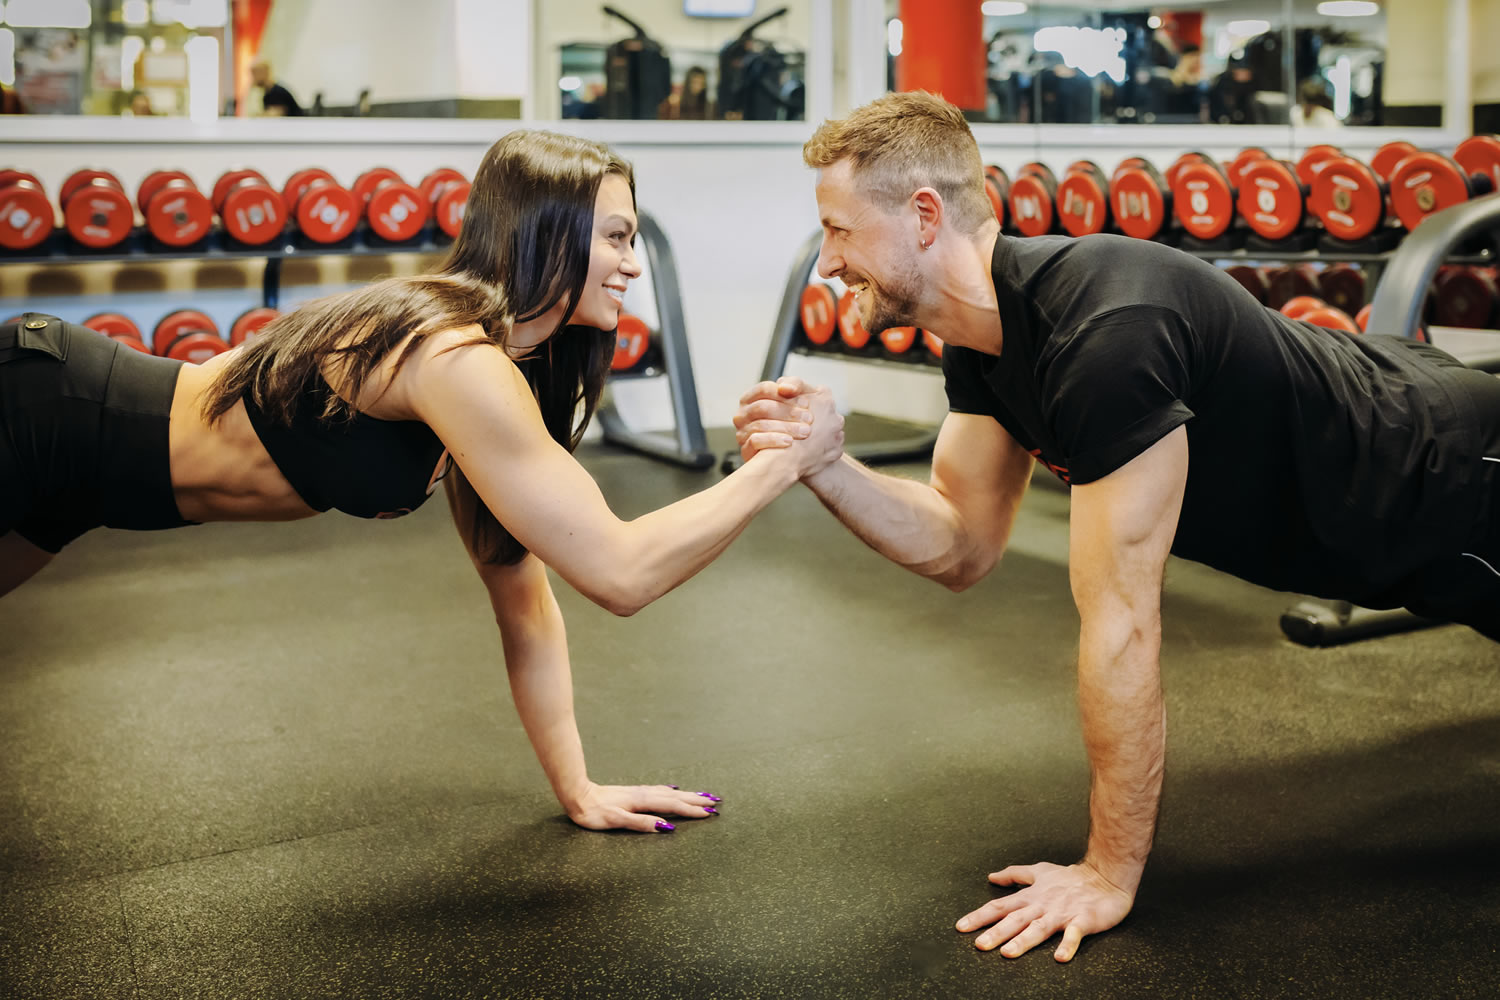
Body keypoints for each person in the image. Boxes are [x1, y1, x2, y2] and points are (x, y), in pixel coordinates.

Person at [735, 92, 1500, 962]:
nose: (828, 261)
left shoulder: (1107, 334)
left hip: (1461, 480)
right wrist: (827, 464)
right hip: (1399, 488)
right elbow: (960, 543)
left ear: (923, 216)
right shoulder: (984, 341)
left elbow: (1124, 625)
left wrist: (1108, 871)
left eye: (839, 230)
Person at [1, 129, 843, 835]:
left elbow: (524, 597)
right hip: (43, 410)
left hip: (78, 494)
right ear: (548, 232)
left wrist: (578, 788)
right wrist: (783, 463)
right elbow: (621, 573)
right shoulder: (453, 357)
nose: (632, 264)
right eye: (617, 238)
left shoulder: (502, 368)